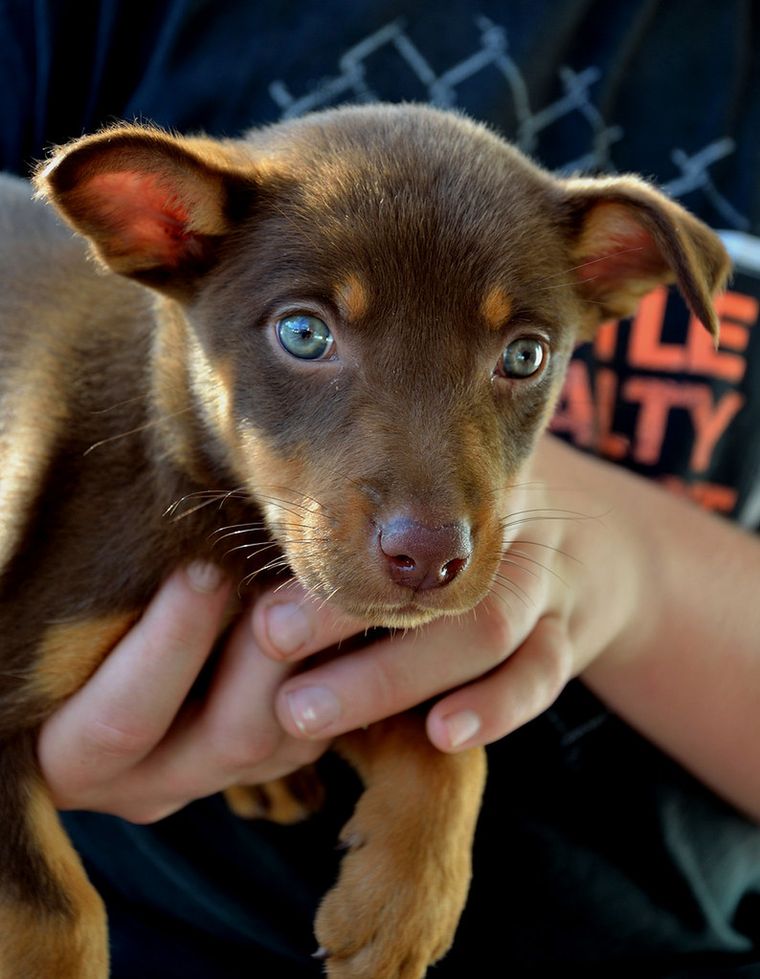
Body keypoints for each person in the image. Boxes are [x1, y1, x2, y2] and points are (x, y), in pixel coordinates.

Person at [3, 1, 760, 975]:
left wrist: (637, 576)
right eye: (307, 335)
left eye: (520, 352)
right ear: (163, 227)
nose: (423, 518)